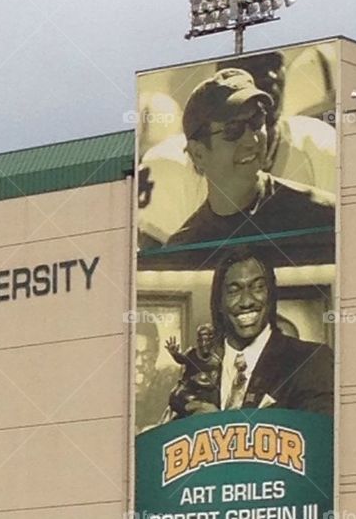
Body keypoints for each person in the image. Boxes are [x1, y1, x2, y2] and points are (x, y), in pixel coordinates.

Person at [138, 51, 336, 246]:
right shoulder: (170, 167)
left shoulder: (318, 151)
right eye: (233, 129)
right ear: (197, 153)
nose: (270, 76)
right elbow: (150, 267)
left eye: (274, 63)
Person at [180, 247, 333, 416]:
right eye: (234, 290)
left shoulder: (311, 360)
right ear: (218, 302)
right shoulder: (198, 365)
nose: (246, 301)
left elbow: (318, 436)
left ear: (271, 295)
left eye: (258, 287)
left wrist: (221, 426)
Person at [165, 323, 221, 418]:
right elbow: (181, 359)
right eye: (201, 340)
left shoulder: (216, 361)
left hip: (199, 398)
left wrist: (200, 380)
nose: (204, 344)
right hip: (182, 397)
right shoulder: (192, 353)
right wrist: (175, 354)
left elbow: (213, 384)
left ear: (212, 341)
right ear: (198, 341)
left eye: (207, 340)